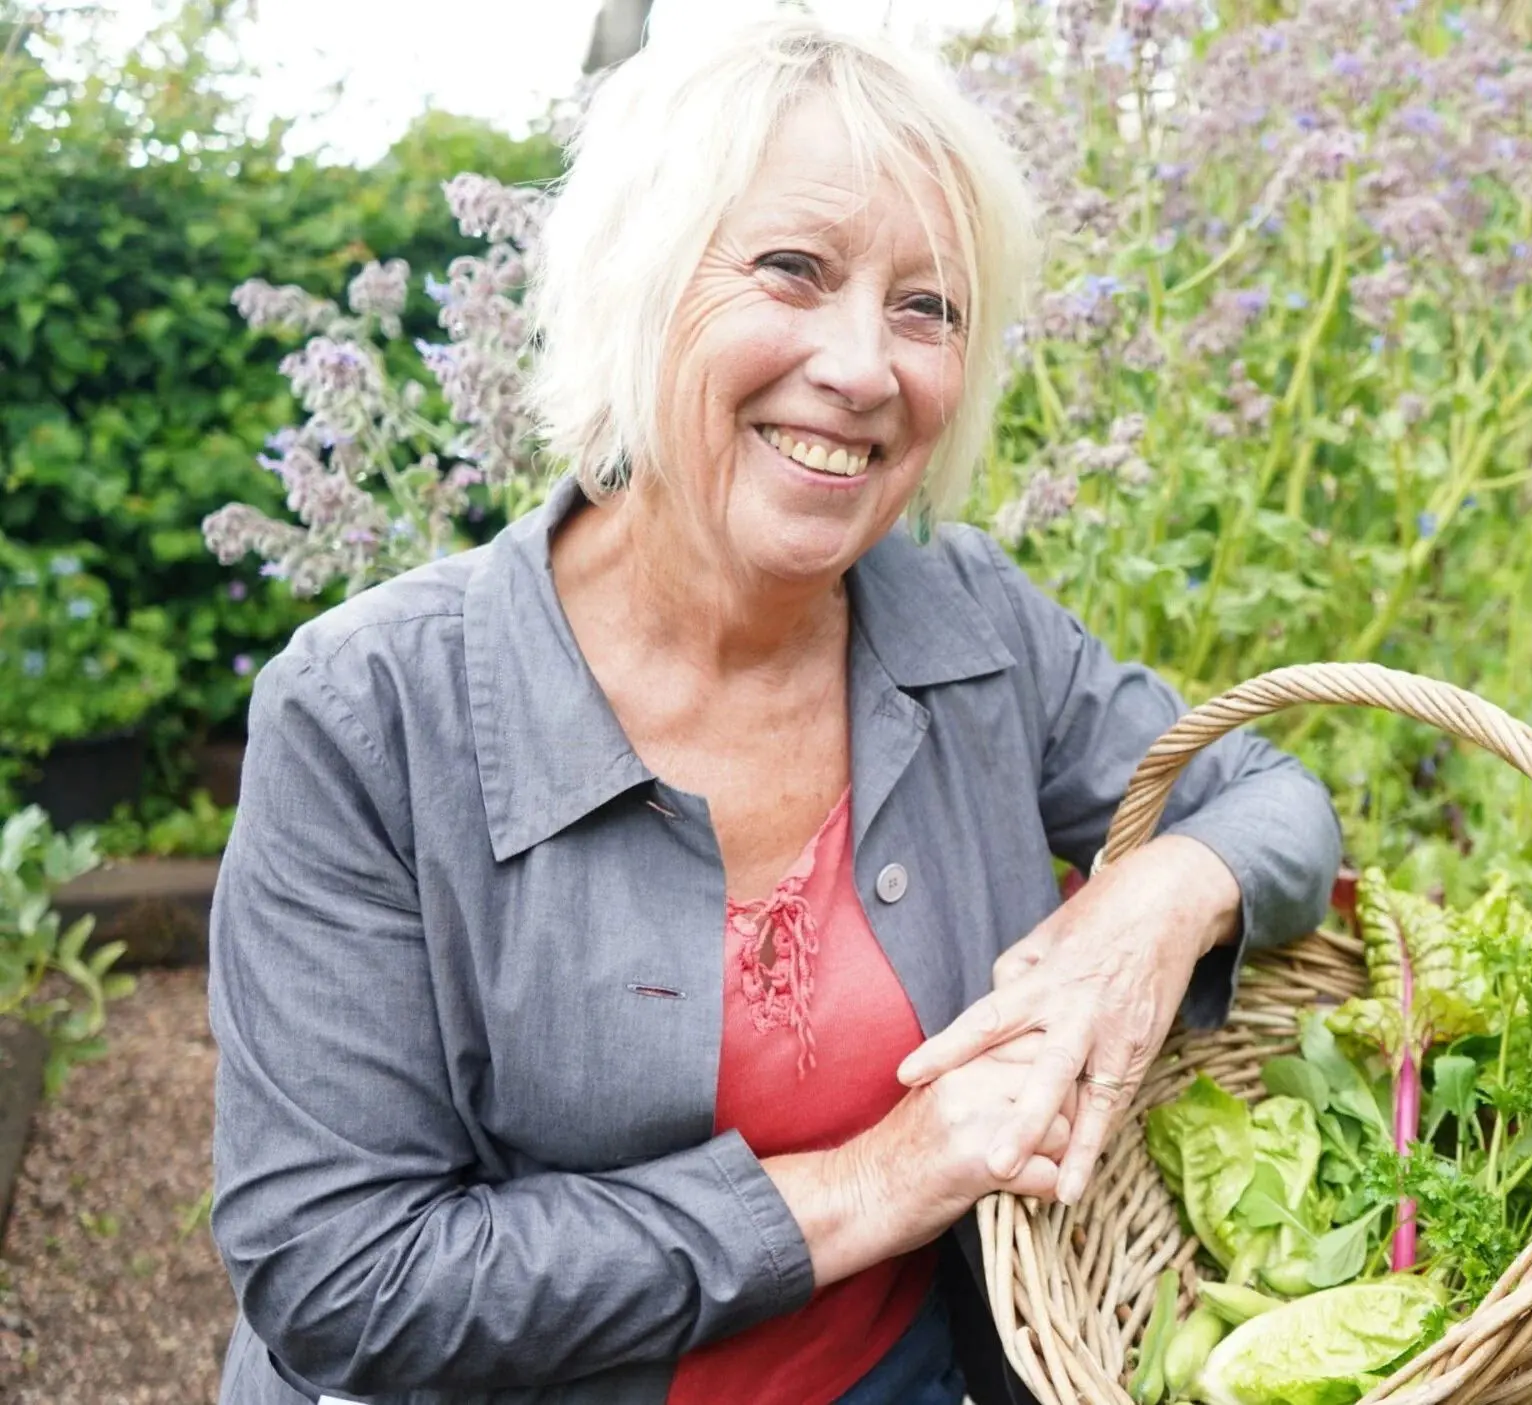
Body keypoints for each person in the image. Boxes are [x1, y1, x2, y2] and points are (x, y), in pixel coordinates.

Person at [206, 17, 1341, 1405]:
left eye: (926, 307)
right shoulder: (369, 713)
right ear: (639, 283)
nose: (864, 368)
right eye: (793, 271)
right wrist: (884, 1178)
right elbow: (348, 1278)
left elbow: (1278, 804)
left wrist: (1161, 895)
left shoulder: (965, 620)